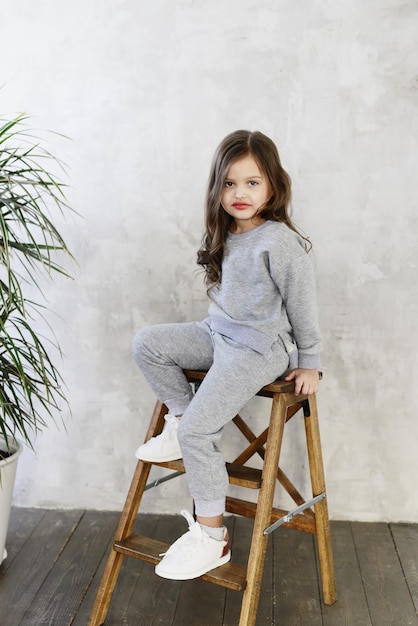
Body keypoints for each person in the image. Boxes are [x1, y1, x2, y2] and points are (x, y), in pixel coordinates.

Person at [132, 129, 322, 581]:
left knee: (202, 431)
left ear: (273, 187)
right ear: (217, 188)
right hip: (217, 334)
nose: (240, 193)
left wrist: (309, 360)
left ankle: (212, 537)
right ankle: (181, 420)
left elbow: (303, 303)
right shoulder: (225, 233)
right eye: (230, 183)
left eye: (252, 183)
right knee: (148, 343)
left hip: (259, 348)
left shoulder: (278, 241)